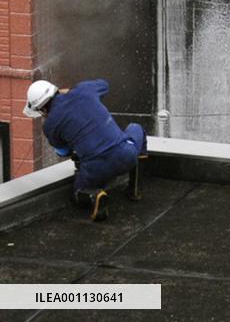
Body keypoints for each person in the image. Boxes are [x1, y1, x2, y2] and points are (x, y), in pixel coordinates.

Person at [23, 79, 147, 222]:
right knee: (136, 128)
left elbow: (63, 152)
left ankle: (94, 195)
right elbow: (105, 84)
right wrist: (70, 90)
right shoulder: (84, 90)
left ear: (43, 109)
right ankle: (135, 189)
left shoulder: (50, 125)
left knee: (78, 193)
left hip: (96, 169)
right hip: (126, 154)